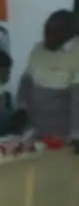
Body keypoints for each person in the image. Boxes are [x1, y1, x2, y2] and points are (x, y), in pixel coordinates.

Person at [17, 10, 79, 140]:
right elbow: (26, 83)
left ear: (69, 33)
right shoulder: (38, 50)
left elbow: (77, 101)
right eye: (46, 31)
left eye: (54, 32)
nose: (48, 36)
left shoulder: (76, 54)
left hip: (64, 133)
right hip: (34, 129)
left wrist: (76, 136)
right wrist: (21, 108)